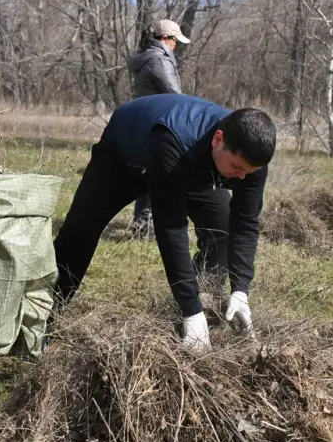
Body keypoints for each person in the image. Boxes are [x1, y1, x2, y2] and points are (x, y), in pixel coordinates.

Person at [52, 94, 276, 352]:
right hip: (126, 156)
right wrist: (191, 310)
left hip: (196, 166)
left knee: (222, 232)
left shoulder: (250, 160)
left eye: (249, 172)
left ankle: (203, 307)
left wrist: (241, 289)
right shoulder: (176, 140)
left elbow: (246, 223)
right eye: (237, 167)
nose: (242, 177)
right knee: (79, 233)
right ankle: (43, 317)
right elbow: (171, 229)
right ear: (218, 140)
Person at [126, 19, 188, 238]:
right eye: (175, 41)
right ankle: (147, 226)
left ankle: (143, 225)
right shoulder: (159, 61)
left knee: (150, 173)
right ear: (165, 39)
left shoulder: (145, 57)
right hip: (160, 123)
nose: (176, 45)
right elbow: (175, 95)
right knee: (160, 174)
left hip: (146, 120)